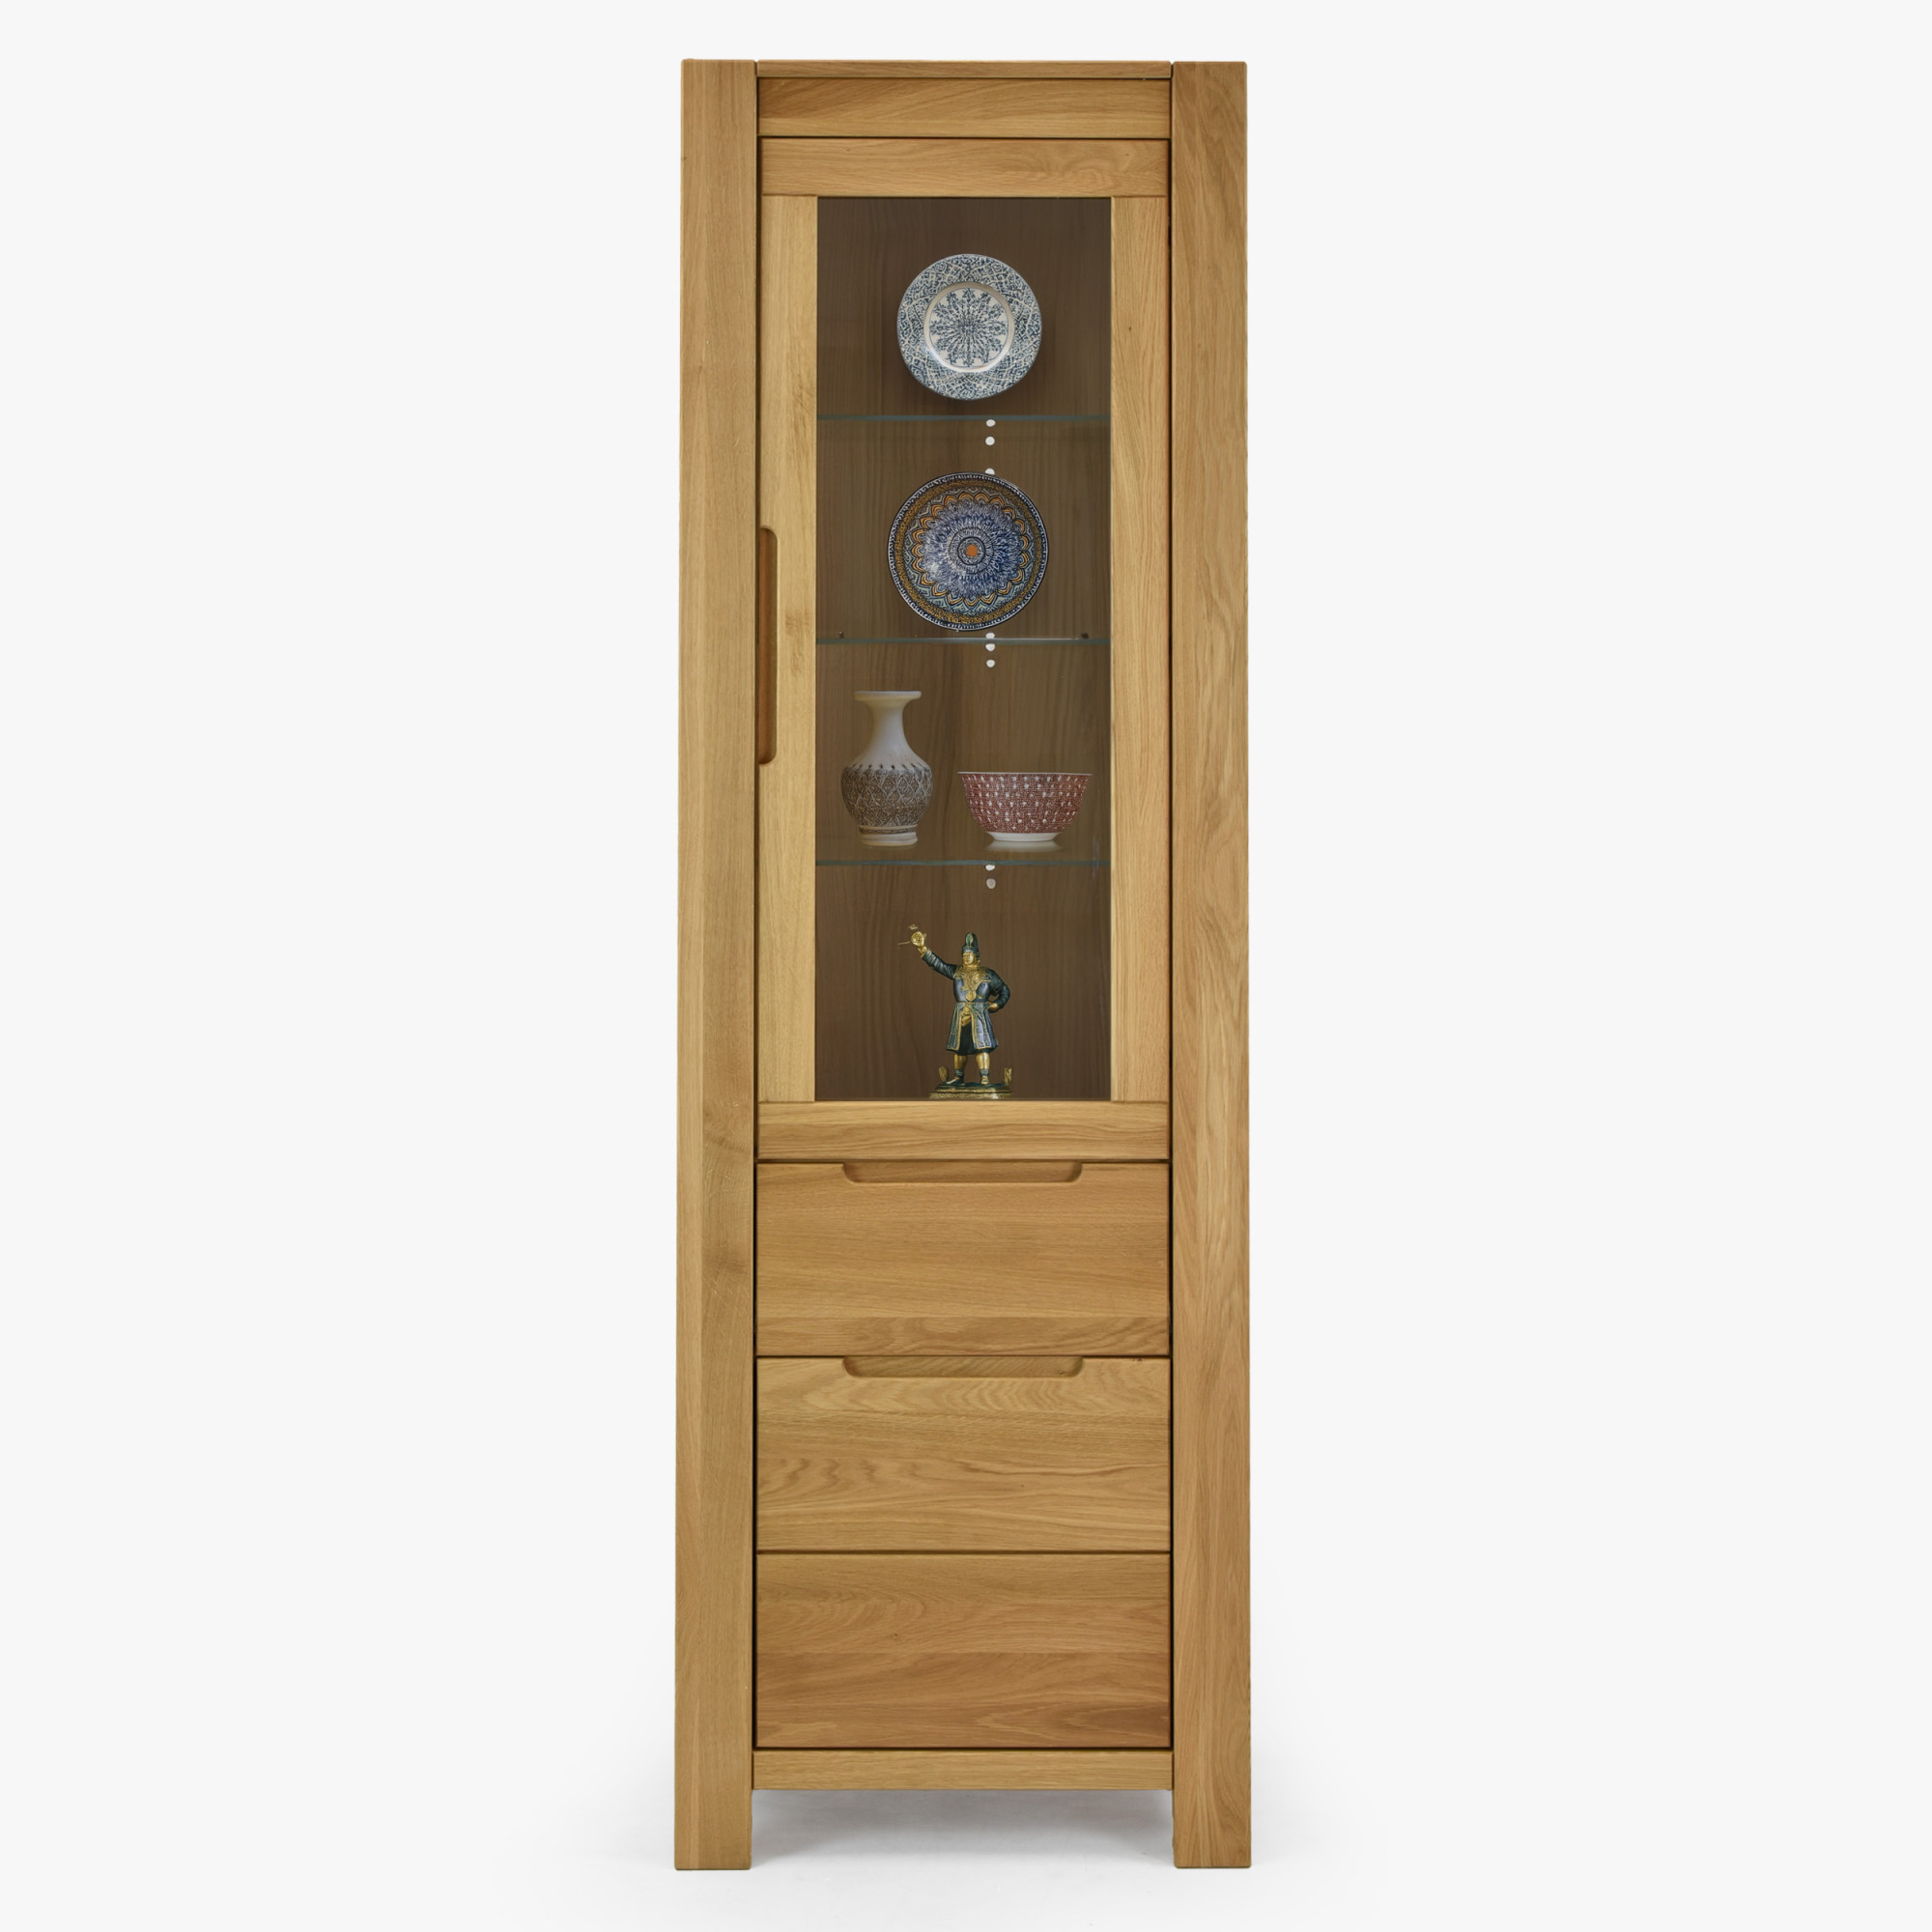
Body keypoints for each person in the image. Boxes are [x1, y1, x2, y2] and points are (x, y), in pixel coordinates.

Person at [906, 927, 1010, 1089]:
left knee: (982, 1047)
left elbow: (1004, 990)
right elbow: (938, 965)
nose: (966, 958)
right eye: (964, 955)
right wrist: (922, 948)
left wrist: (998, 1003)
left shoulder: (988, 974)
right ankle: (958, 1077)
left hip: (979, 1014)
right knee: (959, 1048)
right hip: (961, 1013)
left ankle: (984, 1078)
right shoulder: (956, 971)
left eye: (969, 955)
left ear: (976, 956)